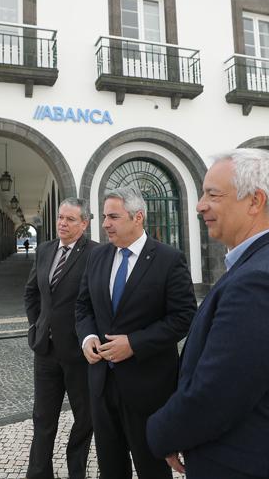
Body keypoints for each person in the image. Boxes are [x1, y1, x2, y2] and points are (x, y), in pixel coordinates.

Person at [146, 149, 269, 478]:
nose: (200, 204)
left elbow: (219, 392)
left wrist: (161, 433)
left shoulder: (264, 279)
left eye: (212, 194)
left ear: (255, 201)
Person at [75, 186, 196, 479]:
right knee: (111, 471)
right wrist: (88, 338)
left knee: (152, 470)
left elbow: (184, 316)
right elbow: (83, 307)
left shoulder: (169, 259)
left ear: (138, 217)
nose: (105, 224)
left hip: (148, 390)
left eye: (113, 216)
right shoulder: (97, 256)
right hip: (102, 386)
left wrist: (135, 343)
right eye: (104, 216)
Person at [25, 198, 98, 479]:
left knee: (85, 419)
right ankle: (39, 473)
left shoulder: (95, 253)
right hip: (45, 351)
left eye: (70, 219)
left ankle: (76, 471)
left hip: (79, 353)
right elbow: (32, 292)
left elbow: (97, 301)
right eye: (60, 217)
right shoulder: (44, 251)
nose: (62, 224)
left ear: (84, 223)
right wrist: (37, 325)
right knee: (43, 419)